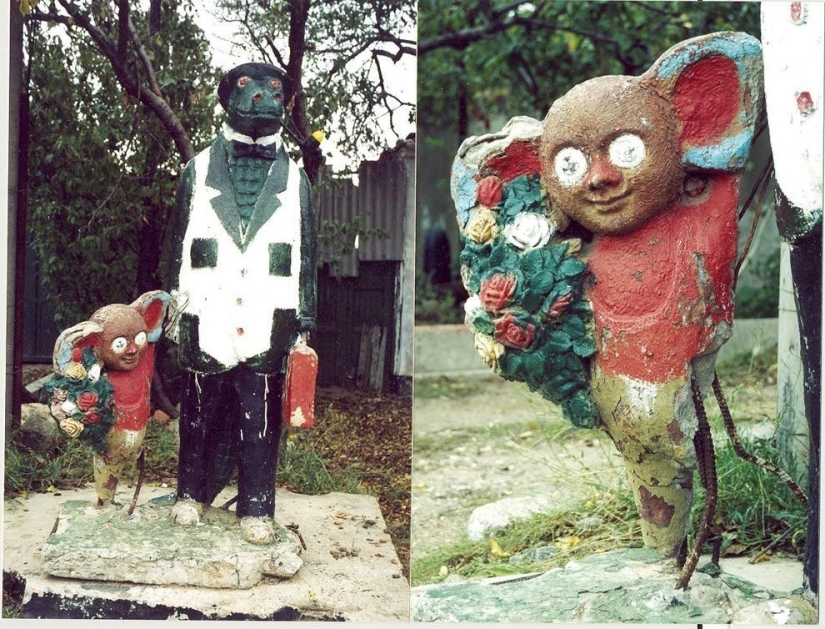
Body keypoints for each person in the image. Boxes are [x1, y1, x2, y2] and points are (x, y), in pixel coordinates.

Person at [165, 62, 317, 544]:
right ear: (226, 98)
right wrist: (173, 310)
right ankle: (188, 494)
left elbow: (308, 258)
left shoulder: (296, 182)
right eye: (247, 88)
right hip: (204, 315)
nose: (260, 98)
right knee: (197, 413)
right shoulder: (196, 171)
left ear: (288, 104)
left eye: (274, 89)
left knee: (263, 419)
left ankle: (257, 505)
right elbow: (173, 248)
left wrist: (305, 321)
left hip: (268, 319)